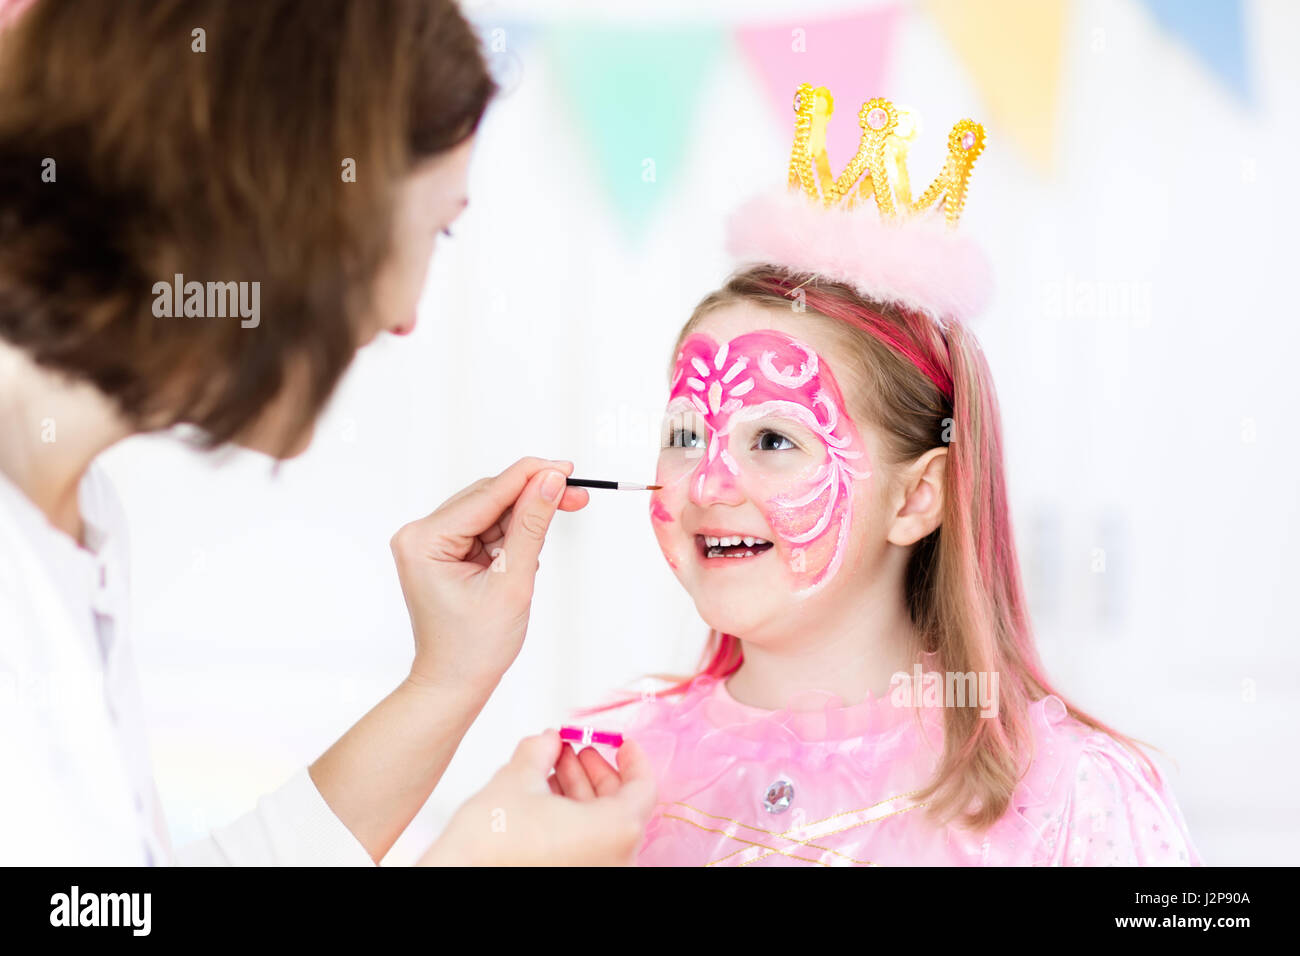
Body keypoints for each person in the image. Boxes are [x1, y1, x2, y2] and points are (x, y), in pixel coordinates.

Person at [0, 0, 653, 866]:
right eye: (435, 229)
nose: (407, 316)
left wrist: (449, 676)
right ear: (297, 208)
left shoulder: (75, 509)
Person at [561, 87, 1203, 866]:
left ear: (917, 496)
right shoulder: (600, 772)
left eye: (772, 439)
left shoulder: (1070, 798)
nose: (707, 483)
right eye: (687, 435)